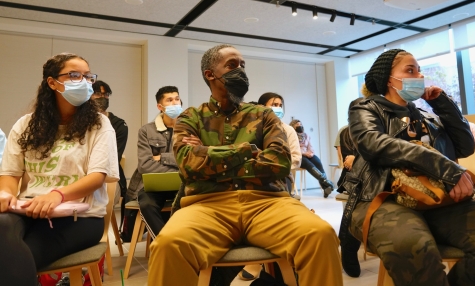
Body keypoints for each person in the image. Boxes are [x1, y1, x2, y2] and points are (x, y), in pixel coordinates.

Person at [148, 44, 343, 286]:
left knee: (320, 235)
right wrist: (248, 151)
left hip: (268, 203)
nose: (240, 71)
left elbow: (280, 162)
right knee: (168, 245)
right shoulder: (191, 117)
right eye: (232, 65)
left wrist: (209, 154)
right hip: (207, 207)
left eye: (242, 66)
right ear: (210, 74)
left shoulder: (264, 115)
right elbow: (189, 164)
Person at [339, 49, 475, 286]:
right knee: (412, 246)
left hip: (437, 200)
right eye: (410, 70)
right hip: (383, 198)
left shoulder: (427, 116)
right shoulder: (365, 107)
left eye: (420, 70)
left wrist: (443, 104)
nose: (419, 76)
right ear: (388, 79)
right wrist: (445, 168)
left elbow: (465, 147)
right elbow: (373, 144)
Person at [0, 52, 119, 285]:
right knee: (2, 224)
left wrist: (57, 195)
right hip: (29, 209)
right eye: (74, 75)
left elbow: (97, 177)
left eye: (88, 76)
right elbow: (10, 174)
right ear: (52, 83)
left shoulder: (99, 123)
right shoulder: (25, 124)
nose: (84, 81)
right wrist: (6, 194)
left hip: (81, 217)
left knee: (12, 259)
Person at [237, 92, 303, 282]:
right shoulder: (252, 128)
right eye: (274, 104)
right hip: (253, 178)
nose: (278, 107)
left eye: (280, 104)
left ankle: (257, 262)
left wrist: (272, 165)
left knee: (275, 212)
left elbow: (296, 159)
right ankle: (257, 256)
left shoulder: (287, 130)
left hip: (282, 177)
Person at [126, 86, 182, 238]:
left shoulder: (188, 129)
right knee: (146, 204)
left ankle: (184, 241)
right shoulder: (146, 131)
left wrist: (163, 158)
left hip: (182, 184)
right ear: (160, 106)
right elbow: (145, 166)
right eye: (169, 100)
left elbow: (192, 160)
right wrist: (178, 165)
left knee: (196, 201)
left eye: (177, 99)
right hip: (154, 186)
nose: (175, 103)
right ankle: (165, 243)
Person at [91, 80, 128, 205]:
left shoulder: (119, 125)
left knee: (95, 198)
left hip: (109, 176)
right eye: (97, 94)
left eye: (106, 94)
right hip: (80, 172)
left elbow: (113, 157)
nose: (102, 97)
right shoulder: (78, 122)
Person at [289, 119, 334, 198]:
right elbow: (293, 149)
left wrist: (311, 153)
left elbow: (310, 147)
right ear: (293, 127)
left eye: (300, 124)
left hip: (307, 154)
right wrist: (304, 153)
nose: (300, 126)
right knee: (307, 163)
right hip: (298, 156)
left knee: (317, 161)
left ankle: (326, 188)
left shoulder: (306, 135)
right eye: (297, 125)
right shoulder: (291, 136)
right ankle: (326, 183)